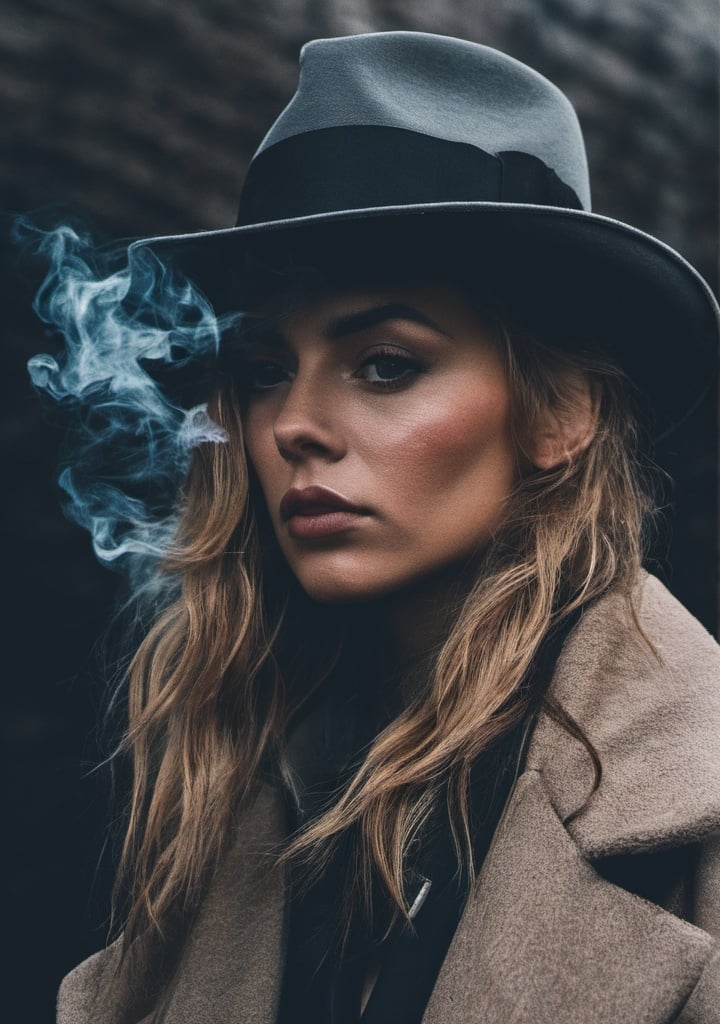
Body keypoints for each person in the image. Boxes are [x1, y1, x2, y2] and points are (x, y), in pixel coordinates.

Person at [55, 31, 720, 1024]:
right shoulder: (220, 816)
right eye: (266, 369)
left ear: (559, 413)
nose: (292, 426)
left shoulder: (692, 818)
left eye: (385, 363)